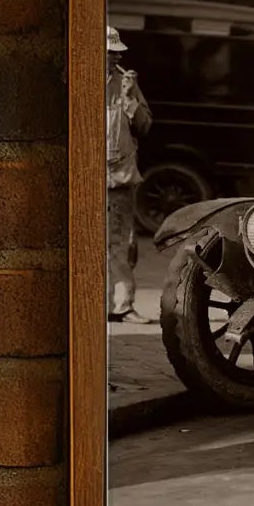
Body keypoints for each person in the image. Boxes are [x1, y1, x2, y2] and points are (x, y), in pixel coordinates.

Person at [105, 23, 152, 322]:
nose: (117, 57)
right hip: (85, 180)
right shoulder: (78, 79)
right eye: (111, 52)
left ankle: (122, 306)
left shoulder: (126, 84)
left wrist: (130, 97)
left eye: (117, 52)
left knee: (121, 242)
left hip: (119, 178)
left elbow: (144, 126)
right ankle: (95, 304)